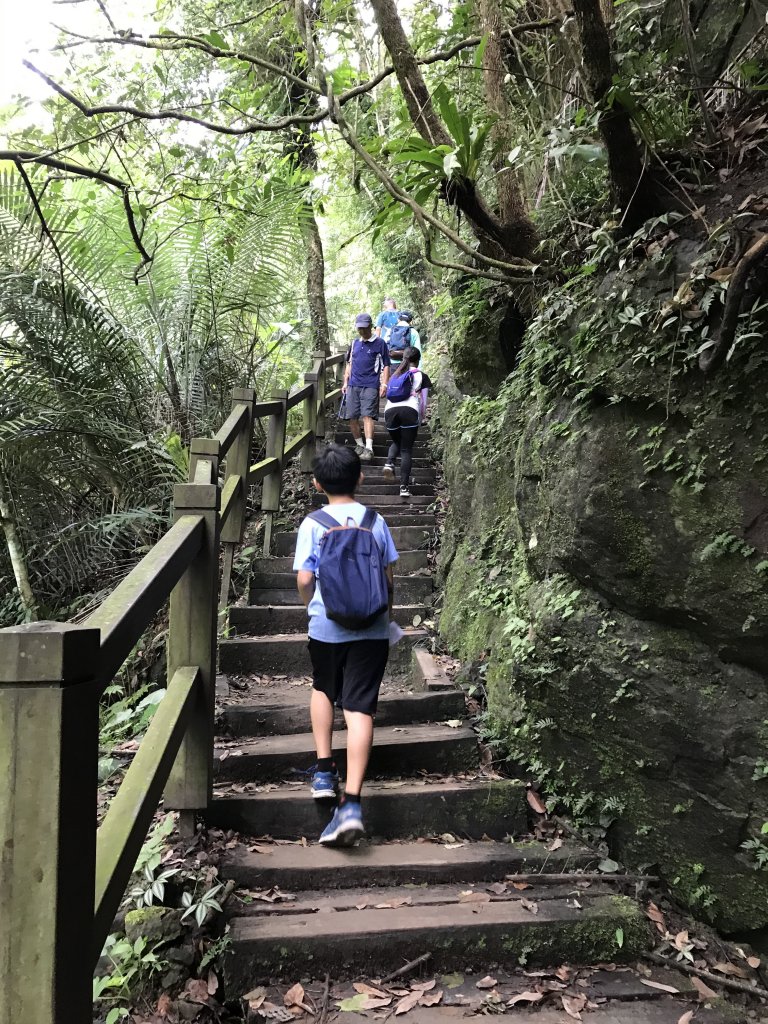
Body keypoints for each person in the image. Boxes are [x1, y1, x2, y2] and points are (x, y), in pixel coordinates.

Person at [293, 444, 399, 846]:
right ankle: (351, 803)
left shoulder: (313, 523)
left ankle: (323, 771)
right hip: (372, 628)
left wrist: (313, 607)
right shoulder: (376, 521)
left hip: (327, 628)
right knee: (359, 708)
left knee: (323, 687)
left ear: (317, 483)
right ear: (360, 478)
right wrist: (383, 614)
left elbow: (305, 579)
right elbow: (389, 576)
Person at [343, 312, 390, 462]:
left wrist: (384, 383)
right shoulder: (355, 343)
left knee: (367, 415)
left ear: (370, 326)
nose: (361, 331)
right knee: (352, 416)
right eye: (359, 328)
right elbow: (349, 363)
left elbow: (386, 365)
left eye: (364, 328)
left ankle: (369, 448)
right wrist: (345, 382)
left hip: (370, 384)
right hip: (353, 385)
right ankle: (359, 445)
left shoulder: (380, 343)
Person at [382, 346, 428, 497]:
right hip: (409, 411)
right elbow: (423, 402)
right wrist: (421, 418)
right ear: (418, 360)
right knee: (406, 449)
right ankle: (404, 488)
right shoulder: (421, 375)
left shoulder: (395, 375)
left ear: (404, 358)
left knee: (397, 441)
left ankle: (389, 462)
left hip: (389, 412)